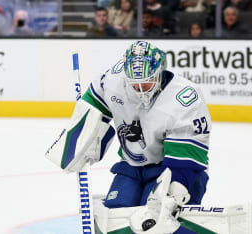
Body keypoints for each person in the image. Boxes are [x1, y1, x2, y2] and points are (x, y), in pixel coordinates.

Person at [71, 41, 211, 233]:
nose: (140, 88)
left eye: (146, 81)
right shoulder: (112, 80)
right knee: (116, 218)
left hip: (169, 169)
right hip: (132, 166)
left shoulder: (184, 98)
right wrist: (82, 138)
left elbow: (187, 154)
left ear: (159, 72)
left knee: (153, 222)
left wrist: (177, 186)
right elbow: (92, 108)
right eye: (134, 83)